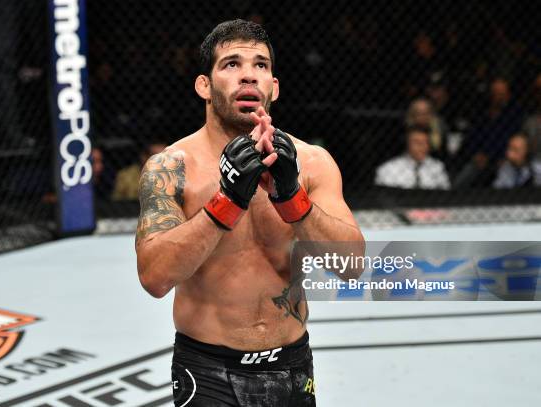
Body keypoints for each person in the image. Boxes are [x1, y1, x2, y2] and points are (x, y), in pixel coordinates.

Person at [134, 19, 364, 406]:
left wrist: (293, 200)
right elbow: (154, 278)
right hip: (207, 371)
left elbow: (352, 265)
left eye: (260, 65)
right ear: (203, 86)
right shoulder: (172, 167)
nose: (248, 76)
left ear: (274, 85)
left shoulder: (311, 163)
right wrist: (227, 201)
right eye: (231, 64)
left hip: (292, 365)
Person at [375, 125, 450, 190]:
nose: (422, 147)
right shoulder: (388, 169)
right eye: (417, 142)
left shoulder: (437, 167)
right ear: (407, 144)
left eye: (426, 142)